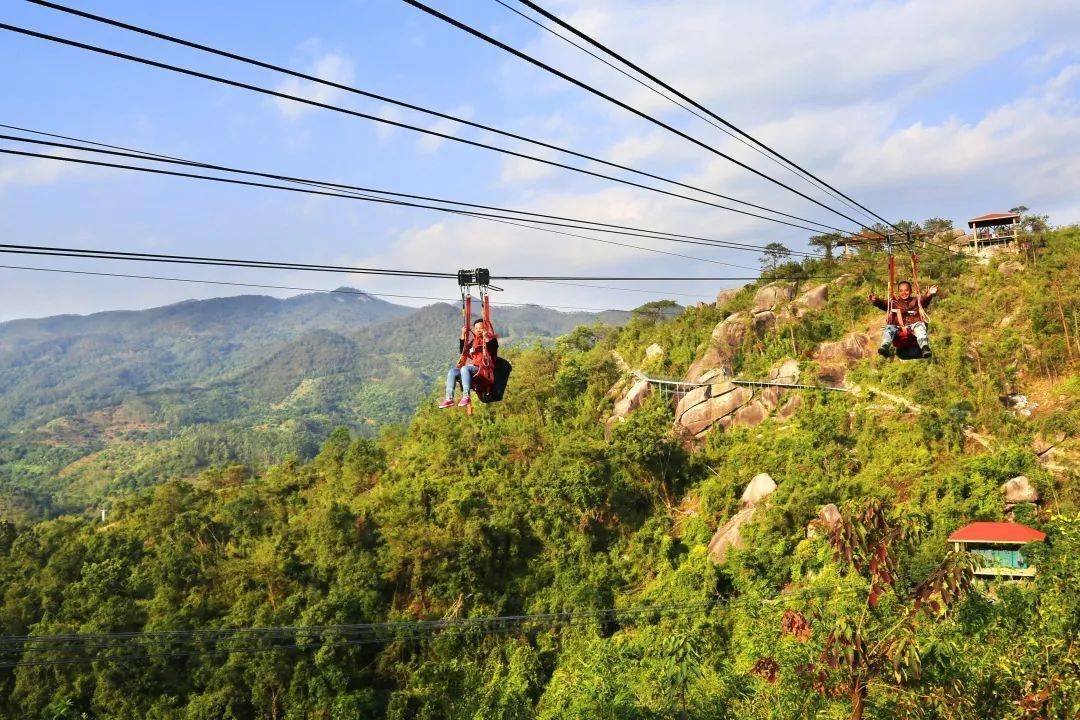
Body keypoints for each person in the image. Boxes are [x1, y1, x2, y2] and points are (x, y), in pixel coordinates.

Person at [869, 281, 939, 358]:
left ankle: (925, 347)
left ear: (911, 291)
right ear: (898, 292)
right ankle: (885, 345)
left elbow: (924, 300)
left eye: (906, 290)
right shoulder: (894, 303)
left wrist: (929, 293)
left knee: (920, 326)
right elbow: (883, 304)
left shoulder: (916, 301)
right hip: (899, 329)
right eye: (901, 291)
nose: (904, 293)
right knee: (889, 328)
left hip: (913, 328)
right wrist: (875, 300)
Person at [439, 318, 498, 408]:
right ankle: (449, 399)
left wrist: (486, 337)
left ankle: (466, 396)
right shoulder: (474, 341)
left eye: (481, 328)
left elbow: (493, 350)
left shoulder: (491, 340)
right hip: (474, 368)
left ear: (485, 329)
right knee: (452, 372)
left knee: (465, 368)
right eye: (476, 328)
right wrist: (463, 335)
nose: (478, 330)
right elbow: (463, 351)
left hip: (484, 369)